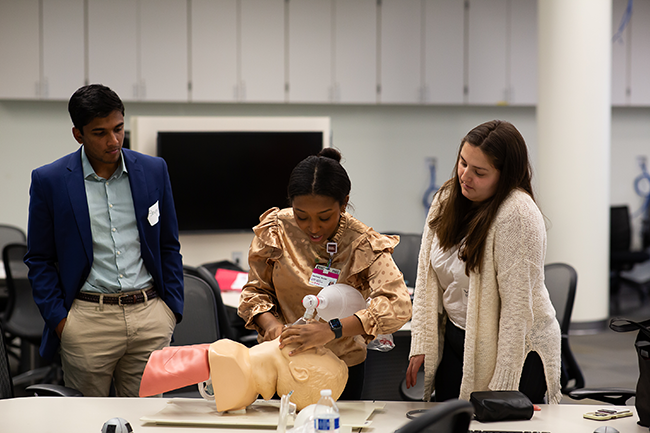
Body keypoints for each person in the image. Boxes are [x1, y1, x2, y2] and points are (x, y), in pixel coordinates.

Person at [24, 84, 184, 397]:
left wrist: (171, 309)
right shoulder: (50, 180)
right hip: (88, 320)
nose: (113, 141)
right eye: (100, 132)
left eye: (118, 129)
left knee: (146, 420)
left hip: (149, 313)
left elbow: (168, 244)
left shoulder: (154, 170)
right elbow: (39, 259)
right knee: (85, 420)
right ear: (78, 134)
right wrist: (61, 321)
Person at [405, 120, 562, 404]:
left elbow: (517, 313)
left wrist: (504, 387)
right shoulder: (446, 198)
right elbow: (426, 275)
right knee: (450, 420)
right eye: (463, 163)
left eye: (479, 172)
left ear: (505, 176)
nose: (465, 176)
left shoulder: (517, 215)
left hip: (514, 350)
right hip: (458, 336)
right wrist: (421, 340)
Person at [238, 148, 412, 400]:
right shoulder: (276, 230)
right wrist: (272, 325)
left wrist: (332, 330)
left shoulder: (362, 243)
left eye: (324, 217)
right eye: (301, 216)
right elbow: (255, 292)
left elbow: (398, 305)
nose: (313, 227)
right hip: (279, 362)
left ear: (343, 203)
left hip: (340, 369)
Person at [139, 337, 348, 412]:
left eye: (319, 351)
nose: (313, 344)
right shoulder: (239, 373)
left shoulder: (229, 358)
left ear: (299, 373)